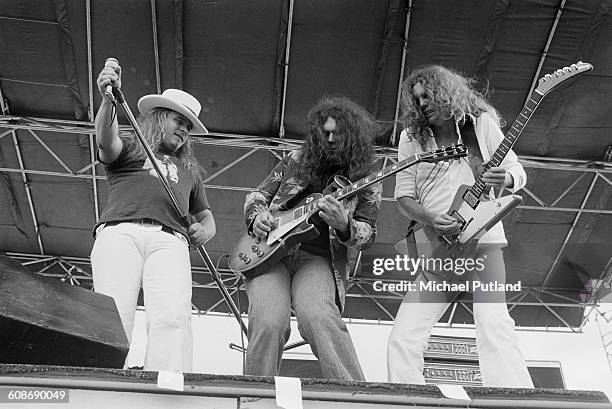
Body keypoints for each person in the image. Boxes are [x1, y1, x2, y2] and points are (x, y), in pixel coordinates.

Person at [387, 65, 533, 387]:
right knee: (404, 335)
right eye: (417, 98)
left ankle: (515, 397)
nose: (423, 103)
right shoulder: (410, 138)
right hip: (439, 249)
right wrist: (429, 218)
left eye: (428, 95)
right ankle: (407, 399)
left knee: (493, 323)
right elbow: (403, 197)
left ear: (447, 91)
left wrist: (505, 178)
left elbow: (516, 172)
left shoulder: (480, 124)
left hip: (483, 244)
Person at [242, 96, 382, 380]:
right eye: (324, 132)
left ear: (352, 135)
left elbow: (367, 235)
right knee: (269, 321)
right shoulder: (295, 159)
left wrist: (345, 225)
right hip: (269, 254)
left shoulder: (367, 176)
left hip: (318, 259)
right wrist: (257, 217)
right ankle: (255, 396)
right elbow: (257, 195)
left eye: (337, 133)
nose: (329, 139)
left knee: (319, 317)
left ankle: (354, 395)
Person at [90, 61, 216, 372]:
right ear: (160, 117)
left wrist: (205, 231)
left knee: (173, 316)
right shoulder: (133, 145)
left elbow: (207, 217)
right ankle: (105, 376)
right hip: (120, 232)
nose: (185, 129)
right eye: (179, 121)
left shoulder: (191, 171)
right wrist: (108, 100)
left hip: (170, 240)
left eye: (189, 125)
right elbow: (105, 140)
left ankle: (169, 384)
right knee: (113, 309)